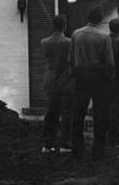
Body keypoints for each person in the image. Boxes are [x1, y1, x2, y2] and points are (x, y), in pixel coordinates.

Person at [69, 5, 115, 160]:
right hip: (98, 77)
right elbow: (109, 62)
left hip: (81, 77)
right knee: (100, 115)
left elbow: (71, 58)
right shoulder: (104, 37)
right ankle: (98, 152)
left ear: (87, 18)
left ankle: (77, 150)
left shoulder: (76, 34)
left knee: (78, 114)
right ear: (100, 19)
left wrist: (73, 73)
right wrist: (109, 77)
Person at [40, 15, 74, 153]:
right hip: (65, 80)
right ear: (64, 25)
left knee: (51, 113)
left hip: (51, 79)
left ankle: (48, 144)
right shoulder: (69, 42)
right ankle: (65, 144)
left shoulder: (45, 42)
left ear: (53, 25)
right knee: (66, 113)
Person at [107, 17, 119, 147]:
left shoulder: (105, 41)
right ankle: (115, 137)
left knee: (107, 108)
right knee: (117, 110)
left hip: (106, 79)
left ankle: (108, 136)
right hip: (118, 79)